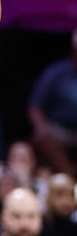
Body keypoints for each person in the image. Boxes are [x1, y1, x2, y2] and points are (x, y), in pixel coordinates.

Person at [27, 27, 77, 175]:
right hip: (59, 130)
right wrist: (42, 127)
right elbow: (34, 107)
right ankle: (70, 177)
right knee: (42, 137)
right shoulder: (57, 72)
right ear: (73, 51)